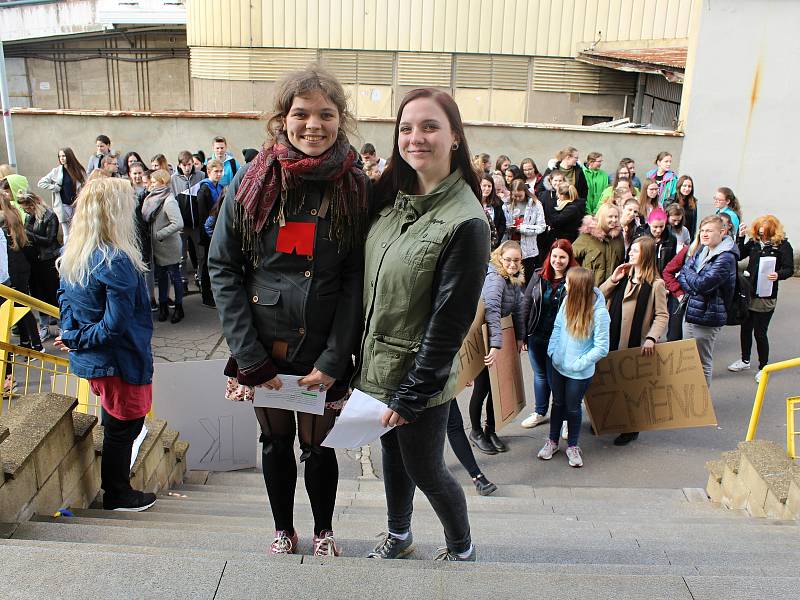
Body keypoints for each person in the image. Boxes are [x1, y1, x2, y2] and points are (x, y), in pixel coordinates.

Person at [209, 66, 370, 558]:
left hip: (322, 352)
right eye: (301, 114)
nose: (313, 125)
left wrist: (337, 358)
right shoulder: (249, 184)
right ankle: (284, 529)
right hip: (266, 350)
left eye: (326, 114)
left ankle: (323, 530)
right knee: (276, 445)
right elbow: (223, 269)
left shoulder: (356, 189)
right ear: (282, 119)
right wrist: (250, 357)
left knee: (319, 449)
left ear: (341, 120)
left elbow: (355, 281)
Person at [355, 87, 489, 563]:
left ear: (454, 137)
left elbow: (450, 321)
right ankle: (399, 534)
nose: (416, 137)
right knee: (393, 457)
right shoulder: (392, 198)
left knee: (427, 468)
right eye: (406, 127)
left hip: (420, 377)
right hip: (377, 367)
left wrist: (413, 393)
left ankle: (461, 546)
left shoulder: (466, 221)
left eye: (430, 126)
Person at [55, 177, 156, 512]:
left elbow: (64, 303)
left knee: (117, 420)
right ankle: (117, 492)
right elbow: (115, 327)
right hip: (119, 361)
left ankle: (117, 490)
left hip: (99, 361)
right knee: (124, 425)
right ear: (116, 212)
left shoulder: (75, 252)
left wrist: (73, 336)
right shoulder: (114, 260)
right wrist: (75, 337)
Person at [538, 267, 610, 467]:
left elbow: (602, 348)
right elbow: (558, 327)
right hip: (557, 365)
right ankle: (552, 442)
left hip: (579, 373)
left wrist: (578, 364)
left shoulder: (600, 314)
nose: (565, 285)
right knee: (558, 404)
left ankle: (572, 446)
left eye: (568, 282)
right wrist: (553, 352)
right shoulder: (567, 301)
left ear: (577, 287)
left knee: (572, 408)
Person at [600, 236, 669, 445]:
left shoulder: (656, 284)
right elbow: (599, 296)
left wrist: (651, 337)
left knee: (630, 387)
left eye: (636, 251)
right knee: (609, 382)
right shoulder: (623, 275)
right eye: (631, 250)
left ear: (646, 255)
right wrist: (613, 279)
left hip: (635, 341)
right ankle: (606, 420)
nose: (630, 253)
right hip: (612, 337)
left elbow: (662, 315)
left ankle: (630, 428)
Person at [468, 240, 525, 455]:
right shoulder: (496, 279)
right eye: (508, 259)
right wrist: (494, 345)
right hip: (487, 341)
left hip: (499, 340)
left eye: (516, 260)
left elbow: (518, 309)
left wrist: (520, 337)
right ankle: (475, 432)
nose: (512, 264)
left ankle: (490, 429)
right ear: (500, 258)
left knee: (496, 389)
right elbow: (491, 310)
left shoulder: (514, 278)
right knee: (482, 388)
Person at [728, 215, 794, 383]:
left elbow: (789, 269)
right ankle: (744, 360)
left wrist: (778, 275)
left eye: (765, 233)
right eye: (759, 232)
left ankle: (763, 367)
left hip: (766, 295)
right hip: (749, 293)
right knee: (745, 328)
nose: (761, 235)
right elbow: (739, 254)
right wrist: (741, 237)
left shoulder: (783, 246)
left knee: (760, 332)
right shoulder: (755, 243)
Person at [520, 239, 578, 429]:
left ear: (569, 258)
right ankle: (540, 411)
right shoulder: (538, 275)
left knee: (559, 379)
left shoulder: (575, 279)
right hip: (537, 334)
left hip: (562, 339)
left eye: (562, 257)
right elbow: (526, 303)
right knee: (540, 375)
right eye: (554, 256)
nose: (558, 261)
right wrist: (523, 334)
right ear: (549, 257)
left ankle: (564, 419)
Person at [678, 215, 738, 387]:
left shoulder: (726, 257)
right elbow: (684, 274)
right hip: (692, 310)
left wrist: (692, 279)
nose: (704, 234)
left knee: (702, 361)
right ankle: (691, 398)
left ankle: (702, 407)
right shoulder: (703, 250)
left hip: (708, 315)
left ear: (722, 232)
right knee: (689, 360)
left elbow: (702, 284)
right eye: (702, 230)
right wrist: (693, 283)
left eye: (709, 231)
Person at [0, 178, 43, 359]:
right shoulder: (13, 213)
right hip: (18, 264)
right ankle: (27, 343)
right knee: (19, 305)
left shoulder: (4, 218)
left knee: (22, 305)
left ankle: (36, 344)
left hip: (15, 266)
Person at [142, 170, 184, 324]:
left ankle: (179, 307)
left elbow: (178, 223)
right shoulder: (151, 198)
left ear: (163, 182)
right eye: (151, 182)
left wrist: (159, 234)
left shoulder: (169, 200)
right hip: (157, 248)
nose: (151, 184)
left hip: (168, 246)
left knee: (175, 277)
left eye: (154, 182)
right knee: (161, 277)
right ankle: (163, 306)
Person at [18, 192, 61, 340]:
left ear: (33, 204)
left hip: (48, 259)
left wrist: (29, 234)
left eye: (27, 208)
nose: (26, 211)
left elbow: (50, 240)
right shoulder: (30, 216)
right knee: (39, 294)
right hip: (35, 259)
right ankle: (44, 326)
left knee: (53, 292)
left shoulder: (50, 216)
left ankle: (62, 326)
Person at [171, 150, 205, 293]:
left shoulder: (201, 175)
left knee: (200, 254)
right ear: (179, 165)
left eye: (190, 164)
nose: (187, 167)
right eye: (184, 165)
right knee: (181, 256)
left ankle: (201, 278)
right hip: (182, 225)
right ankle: (183, 281)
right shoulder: (174, 179)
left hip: (197, 224)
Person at [37, 147, 86, 241]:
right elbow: (41, 183)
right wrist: (55, 187)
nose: (62, 158)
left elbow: (85, 186)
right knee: (67, 233)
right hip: (63, 205)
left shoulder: (79, 170)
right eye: (60, 156)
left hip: (77, 205)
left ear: (69, 156)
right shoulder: (56, 171)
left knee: (79, 231)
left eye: (64, 156)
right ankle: (67, 253)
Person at [573, 203, 624, 287]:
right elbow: (571, 256)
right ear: (602, 217)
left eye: (616, 217)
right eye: (610, 216)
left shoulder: (619, 238)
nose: (614, 220)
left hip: (612, 291)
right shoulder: (587, 237)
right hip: (589, 290)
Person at [196, 159, 225, 307]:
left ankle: (214, 293)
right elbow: (202, 217)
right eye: (216, 171)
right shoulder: (204, 190)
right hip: (208, 233)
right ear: (209, 172)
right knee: (207, 266)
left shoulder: (220, 187)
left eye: (221, 171)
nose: (219, 174)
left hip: (217, 231)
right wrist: (207, 235)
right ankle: (206, 296)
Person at [515, 180, 546, 274]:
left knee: (527, 277)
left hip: (528, 250)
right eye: (514, 196)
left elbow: (542, 227)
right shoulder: (507, 205)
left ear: (525, 192)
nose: (517, 198)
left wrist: (524, 228)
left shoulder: (535, 205)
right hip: (511, 246)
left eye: (520, 196)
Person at [645, 207, 677, 276]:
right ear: (649, 223)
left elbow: (672, 263)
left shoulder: (671, 239)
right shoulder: (642, 238)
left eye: (661, 226)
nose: (658, 230)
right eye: (655, 227)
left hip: (663, 279)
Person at [479, 174, 506, 250]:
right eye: (484, 185)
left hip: (493, 244)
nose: (487, 189)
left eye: (489, 186)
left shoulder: (497, 203)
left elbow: (502, 224)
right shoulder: (473, 202)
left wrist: (496, 241)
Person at [670, 175, 698, 240]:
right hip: (673, 236)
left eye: (689, 186)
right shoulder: (671, 200)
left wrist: (691, 239)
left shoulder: (693, 201)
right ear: (679, 186)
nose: (687, 188)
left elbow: (693, 223)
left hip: (686, 237)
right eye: (684, 186)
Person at [582, 151, 608, 216]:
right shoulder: (582, 173)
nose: (601, 163)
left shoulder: (604, 175)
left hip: (600, 212)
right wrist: (588, 211)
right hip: (584, 211)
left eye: (601, 161)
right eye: (599, 161)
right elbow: (581, 194)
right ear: (591, 162)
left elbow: (605, 194)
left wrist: (597, 211)